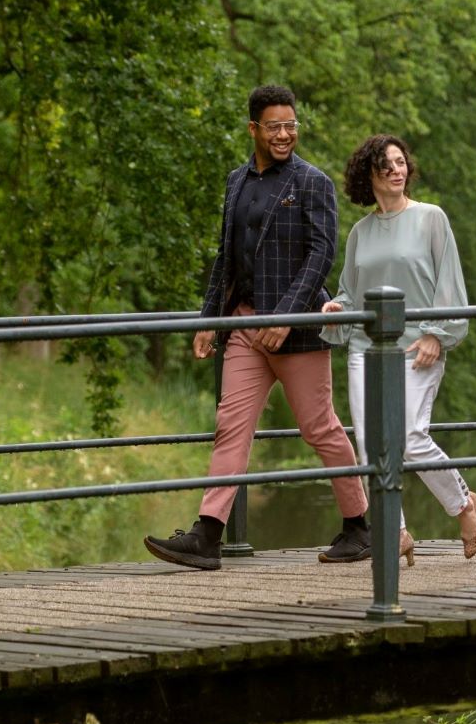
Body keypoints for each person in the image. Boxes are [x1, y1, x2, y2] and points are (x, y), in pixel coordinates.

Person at [144, 84, 370, 571]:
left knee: (320, 428)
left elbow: (321, 254)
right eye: (275, 127)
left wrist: (285, 317)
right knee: (231, 425)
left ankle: (359, 526)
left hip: (297, 329)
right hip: (244, 325)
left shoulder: (313, 182)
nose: (285, 134)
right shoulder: (236, 182)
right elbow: (226, 258)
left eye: (291, 125)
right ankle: (208, 535)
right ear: (254, 129)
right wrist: (211, 320)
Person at [321, 135, 476, 566]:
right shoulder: (360, 232)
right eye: (386, 165)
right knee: (371, 444)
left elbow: (449, 283)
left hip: (418, 345)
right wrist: (337, 307)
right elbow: (350, 294)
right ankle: (395, 533)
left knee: (411, 437)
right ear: (369, 176)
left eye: (401, 163)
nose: (397, 170)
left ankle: (464, 505)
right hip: (366, 347)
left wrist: (438, 333)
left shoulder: (431, 218)